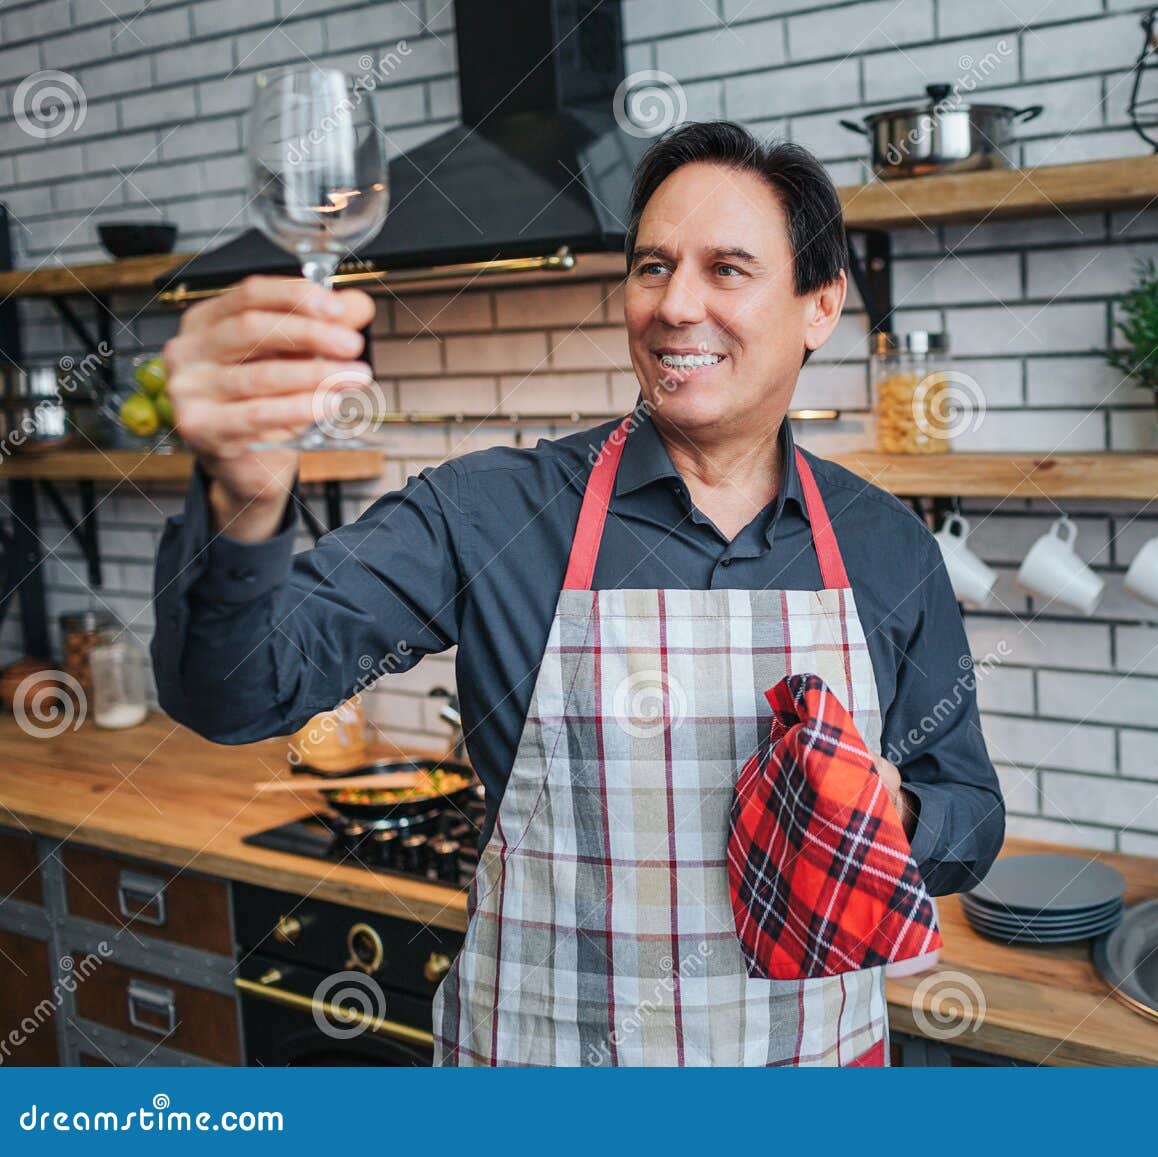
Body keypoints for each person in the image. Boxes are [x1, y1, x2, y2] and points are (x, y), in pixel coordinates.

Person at [153, 120, 1004, 1066]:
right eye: (651, 266)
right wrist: (239, 495)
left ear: (820, 305)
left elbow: (969, 810)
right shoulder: (491, 511)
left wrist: (895, 818)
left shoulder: (888, 546)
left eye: (727, 269)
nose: (676, 304)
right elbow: (231, 693)